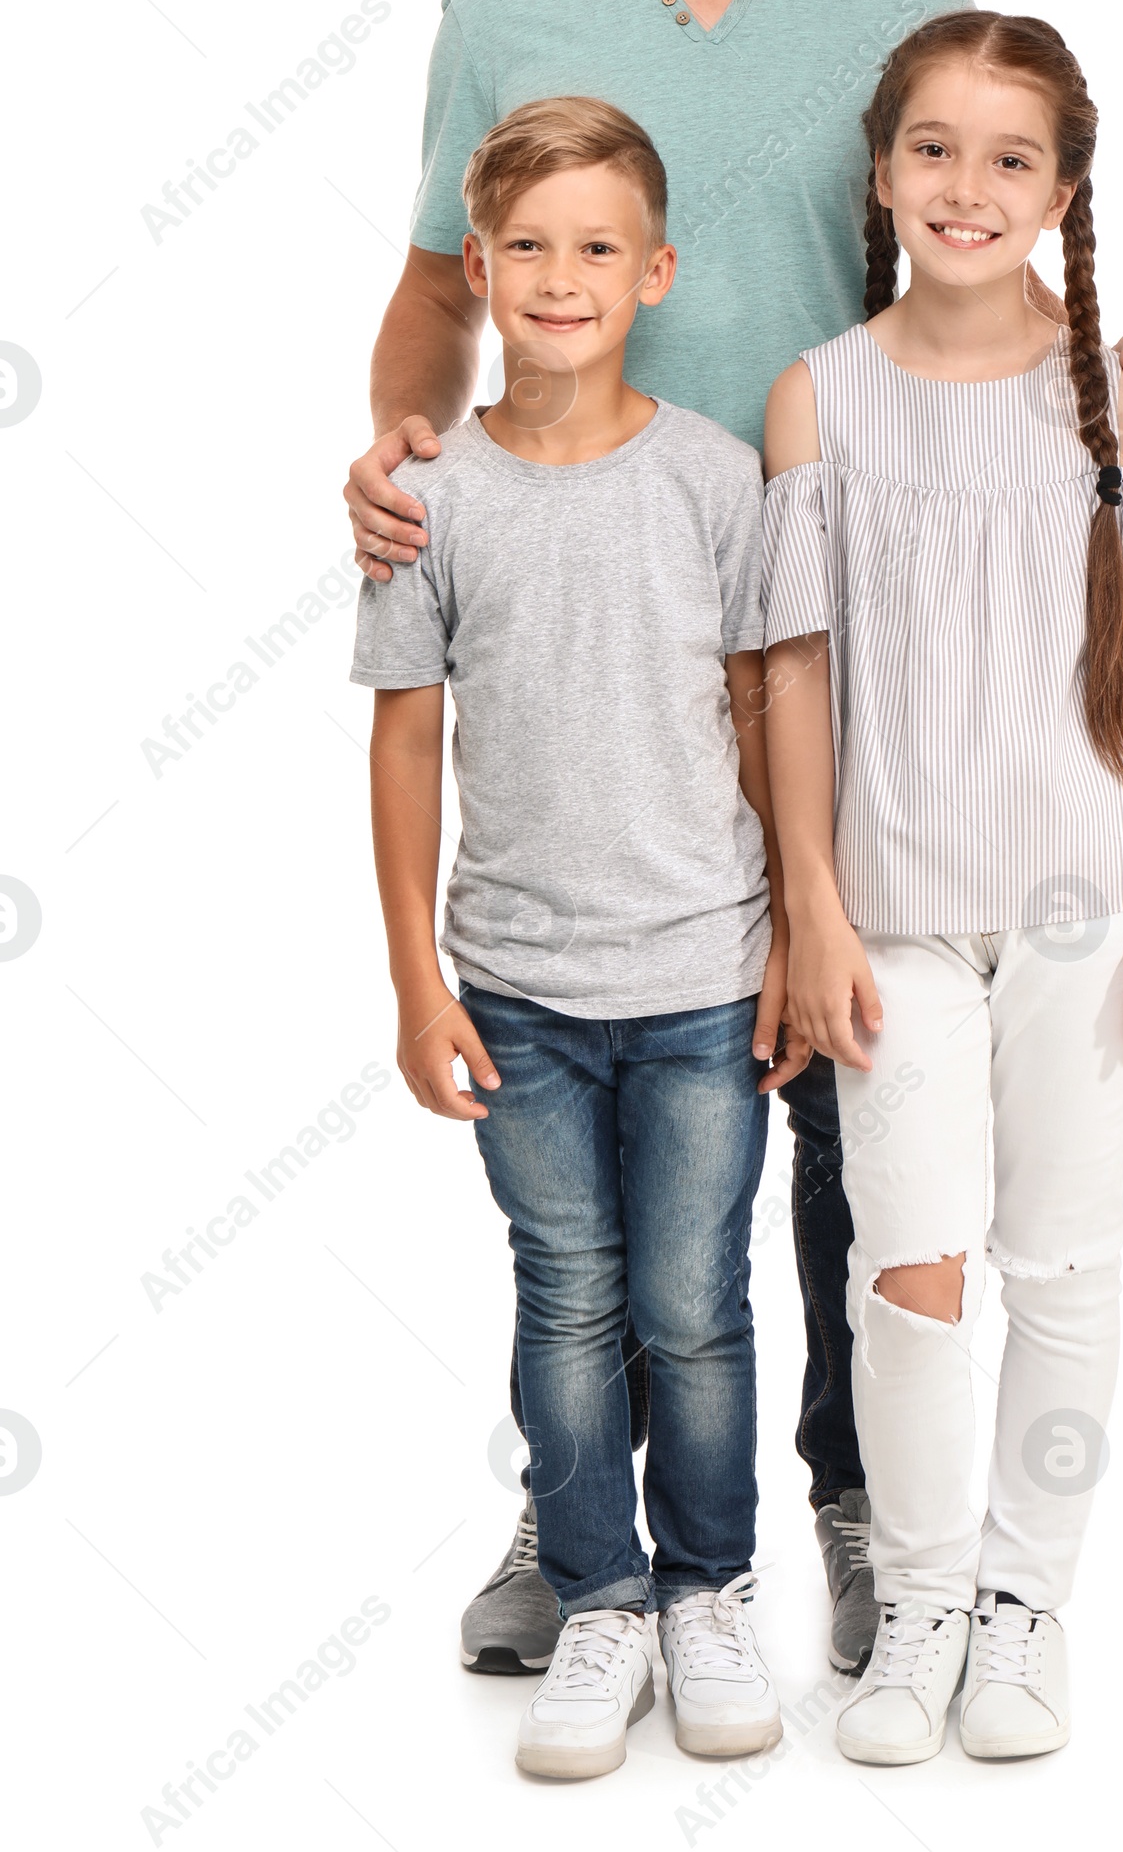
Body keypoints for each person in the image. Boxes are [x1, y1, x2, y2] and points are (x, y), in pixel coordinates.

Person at [342, 0, 1123, 1676]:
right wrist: (389, 448)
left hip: (848, 639)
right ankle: (595, 1531)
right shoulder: (503, 18)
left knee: (842, 1080)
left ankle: (843, 1503)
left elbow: (979, 244)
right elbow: (440, 294)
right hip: (592, 630)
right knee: (602, 1111)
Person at [761, 10, 1123, 1765]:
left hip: (1083, 905)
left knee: (1067, 1264)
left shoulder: (1120, 402)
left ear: (1064, 191)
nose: (968, 187)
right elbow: (795, 668)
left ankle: (1030, 1609)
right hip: (893, 909)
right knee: (909, 1264)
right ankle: (922, 1601)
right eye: (933, 150)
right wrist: (809, 901)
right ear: (882, 174)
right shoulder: (825, 390)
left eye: (1010, 157)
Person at [352, 96, 788, 1779]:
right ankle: (599, 1595)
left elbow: (765, 710)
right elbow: (403, 737)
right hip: (518, 989)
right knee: (569, 1294)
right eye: (526, 247)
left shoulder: (712, 474)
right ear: (480, 266)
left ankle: (708, 1591)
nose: (559, 276)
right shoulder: (428, 496)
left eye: (597, 247)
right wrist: (415, 987)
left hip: (700, 978)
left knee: (695, 1302)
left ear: (656, 271)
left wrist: (792, 931)